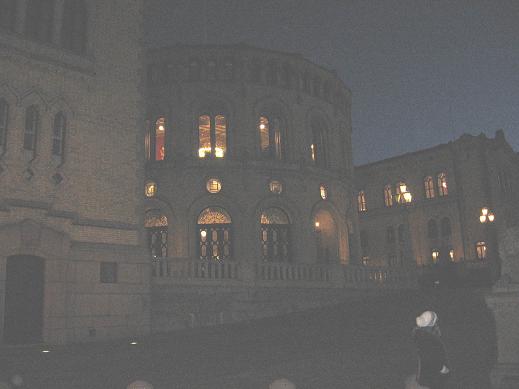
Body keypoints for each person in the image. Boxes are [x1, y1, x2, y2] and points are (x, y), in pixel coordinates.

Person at [412, 311, 450, 389]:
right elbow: (430, 356)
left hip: (422, 375)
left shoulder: (419, 334)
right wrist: (441, 368)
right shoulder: (427, 338)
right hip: (428, 378)